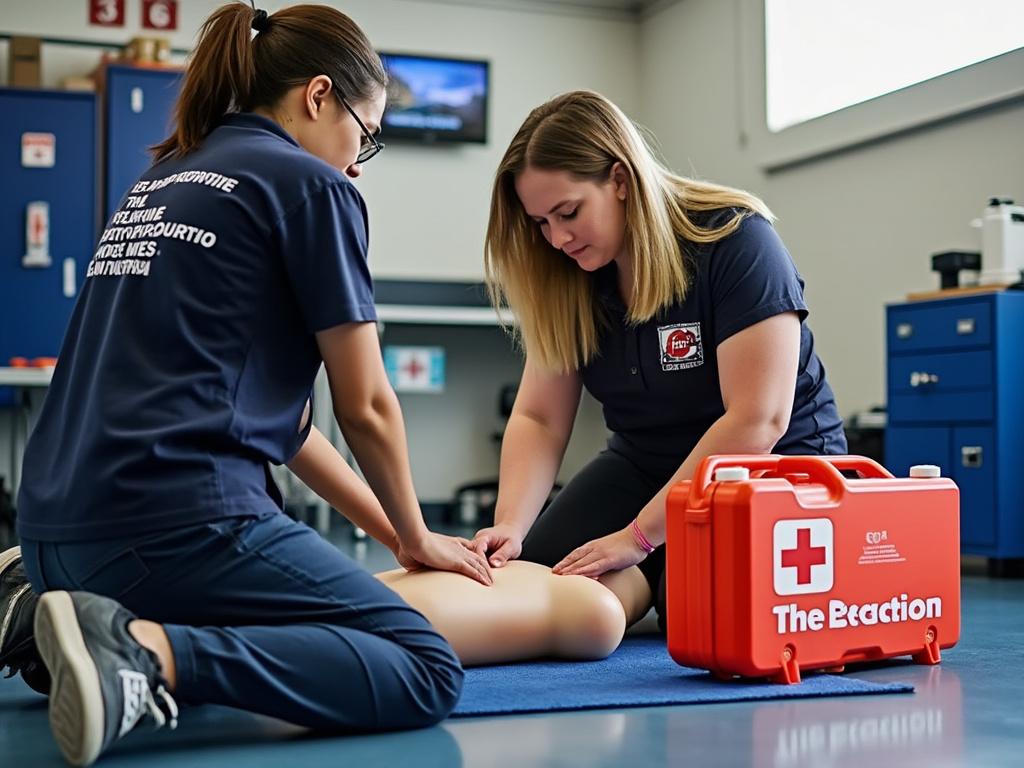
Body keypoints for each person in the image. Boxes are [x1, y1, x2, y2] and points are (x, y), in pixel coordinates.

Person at [0, 3, 500, 765]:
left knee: (263, 639)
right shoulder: (312, 188)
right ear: (319, 95)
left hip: (52, 532)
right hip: (169, 526)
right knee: (422, 667)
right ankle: (140, 653)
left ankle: (36, 607)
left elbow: (292, 426)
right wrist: (423, 535)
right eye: (366, 135)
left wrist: (399, 537)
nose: (359, 162)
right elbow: (364, 406)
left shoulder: (164, 179)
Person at [471, 90, 847, 627]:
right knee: (538, 568)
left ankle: (656, 571)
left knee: (699, 605)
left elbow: (757, 419)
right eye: (541, 224)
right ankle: (650, 572)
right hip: (646, 462)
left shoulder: (737, 242)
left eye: (568, 212)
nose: (557, 239)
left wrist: (639, 536)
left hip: (771, 464)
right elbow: (540, 417)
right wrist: (511, 522)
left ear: (620, 181)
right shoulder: (572, 277)